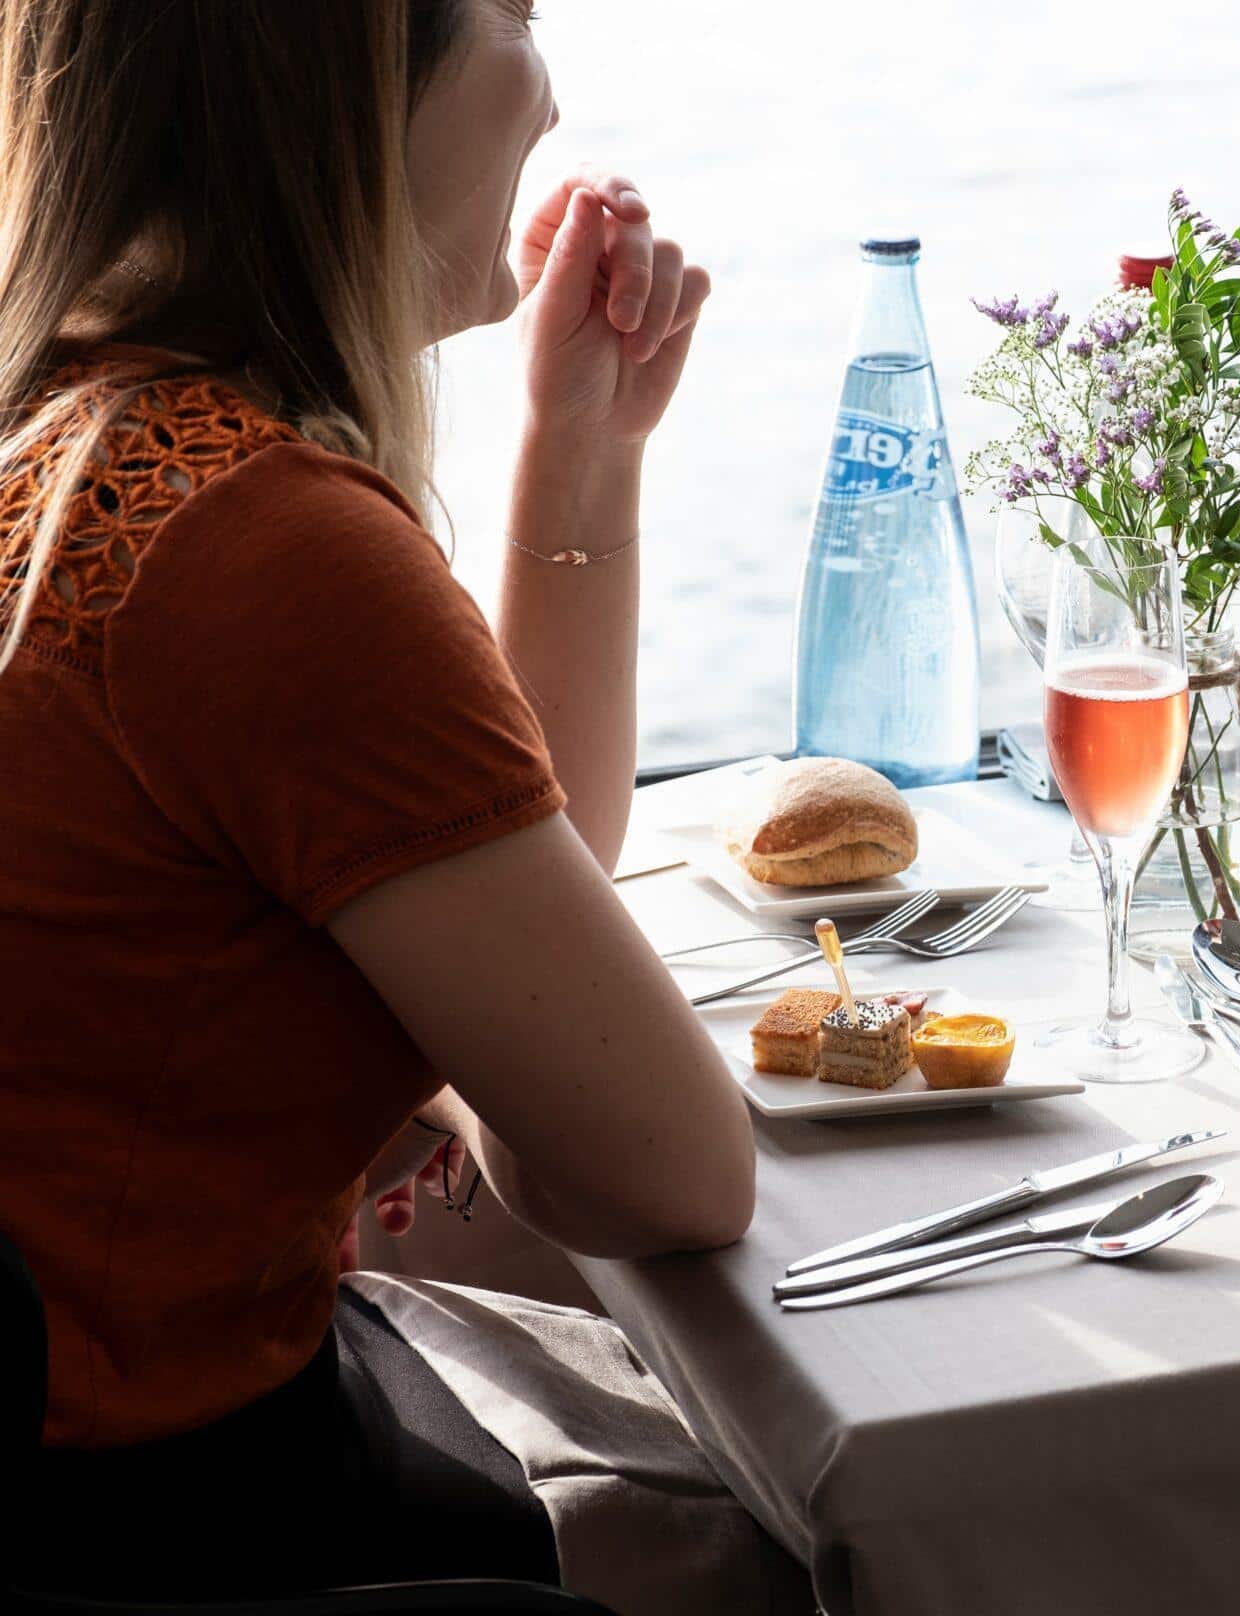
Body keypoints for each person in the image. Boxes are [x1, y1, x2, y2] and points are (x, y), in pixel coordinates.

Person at [0, 2, 787, 1606]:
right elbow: (661, 1169)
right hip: (169, 1517)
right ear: (347, 83)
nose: (552, 88)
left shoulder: (83, 439)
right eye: (510, 14)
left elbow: (512, 924)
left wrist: (581, 452)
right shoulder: (254, 545)